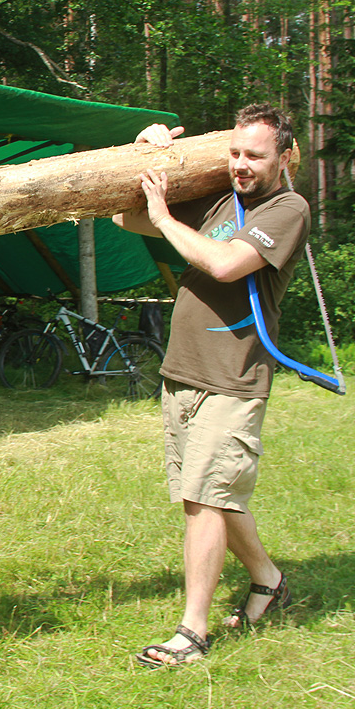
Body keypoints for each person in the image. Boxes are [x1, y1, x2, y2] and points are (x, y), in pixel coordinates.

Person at [113, 105, 307, 667]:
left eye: (256, 155)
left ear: (284, 157)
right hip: (183, 374)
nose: (242, 165)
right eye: (235, 153)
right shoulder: (219, 198)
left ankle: (192, 632)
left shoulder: (287, 208)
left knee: (204, 498)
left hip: (233, 378)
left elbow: (225, 264)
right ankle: (269, 582)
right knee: (214, 496)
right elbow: (130, 219)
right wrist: (145, 151)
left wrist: (168, 220)